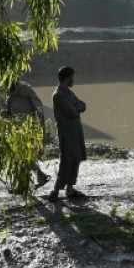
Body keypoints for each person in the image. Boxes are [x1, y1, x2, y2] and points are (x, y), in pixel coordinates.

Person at [4, 79, 51, 188]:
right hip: (18, 130)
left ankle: (24, 184)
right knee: (21, 156)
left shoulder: (24, 89)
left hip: (30, 128)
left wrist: (41, 129)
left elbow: (38, 108)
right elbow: (12, 113)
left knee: (22, 156)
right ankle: (35, 178)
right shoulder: (9, 94)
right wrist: (7, 114)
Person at [49, 66, 87, 202]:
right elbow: (72, 111)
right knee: (66, 161)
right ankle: (55, 190)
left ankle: (70, 189)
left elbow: (83, 105)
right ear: (67, 78)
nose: (73, 80)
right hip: (66, 133)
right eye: (72, 77)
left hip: (75, 131)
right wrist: (76, 109)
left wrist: (76, 108)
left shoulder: (69, 93)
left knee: (76, 159)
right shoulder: (58, 94)